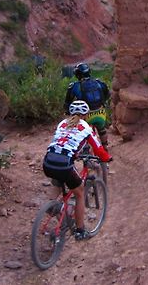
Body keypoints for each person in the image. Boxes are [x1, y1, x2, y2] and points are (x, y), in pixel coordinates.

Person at [43, 100, 112, 241]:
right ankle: (80, 231)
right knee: (79, 192)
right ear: (86, 115)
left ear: (69, 113)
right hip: (64, 164)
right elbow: (98, 149)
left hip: (48, 161)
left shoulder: (62, 123)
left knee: (58, 179)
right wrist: (107, 158)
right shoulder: (86, 128)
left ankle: (51, 205)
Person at [64, 62, 110, 147]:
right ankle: (105, 147)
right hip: (101, 114)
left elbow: (67, 102)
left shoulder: (74, 86)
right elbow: (107, 95)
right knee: (102, 130)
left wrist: (68, 113)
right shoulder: (99, 83)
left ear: (77, 74)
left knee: (83, 132)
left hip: (86, 115)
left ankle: (86, 149)